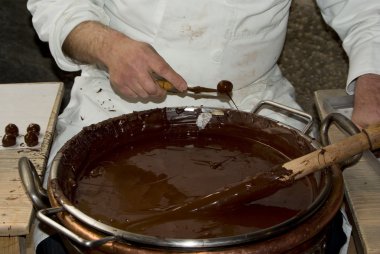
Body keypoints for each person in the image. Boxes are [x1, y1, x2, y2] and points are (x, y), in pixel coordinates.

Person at [27, 0, 380, 253]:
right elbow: (56, 5)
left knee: (320, 229)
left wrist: (373, 85)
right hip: (116, 103)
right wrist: (110, 47)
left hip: (254, 103)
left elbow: (366, 11)